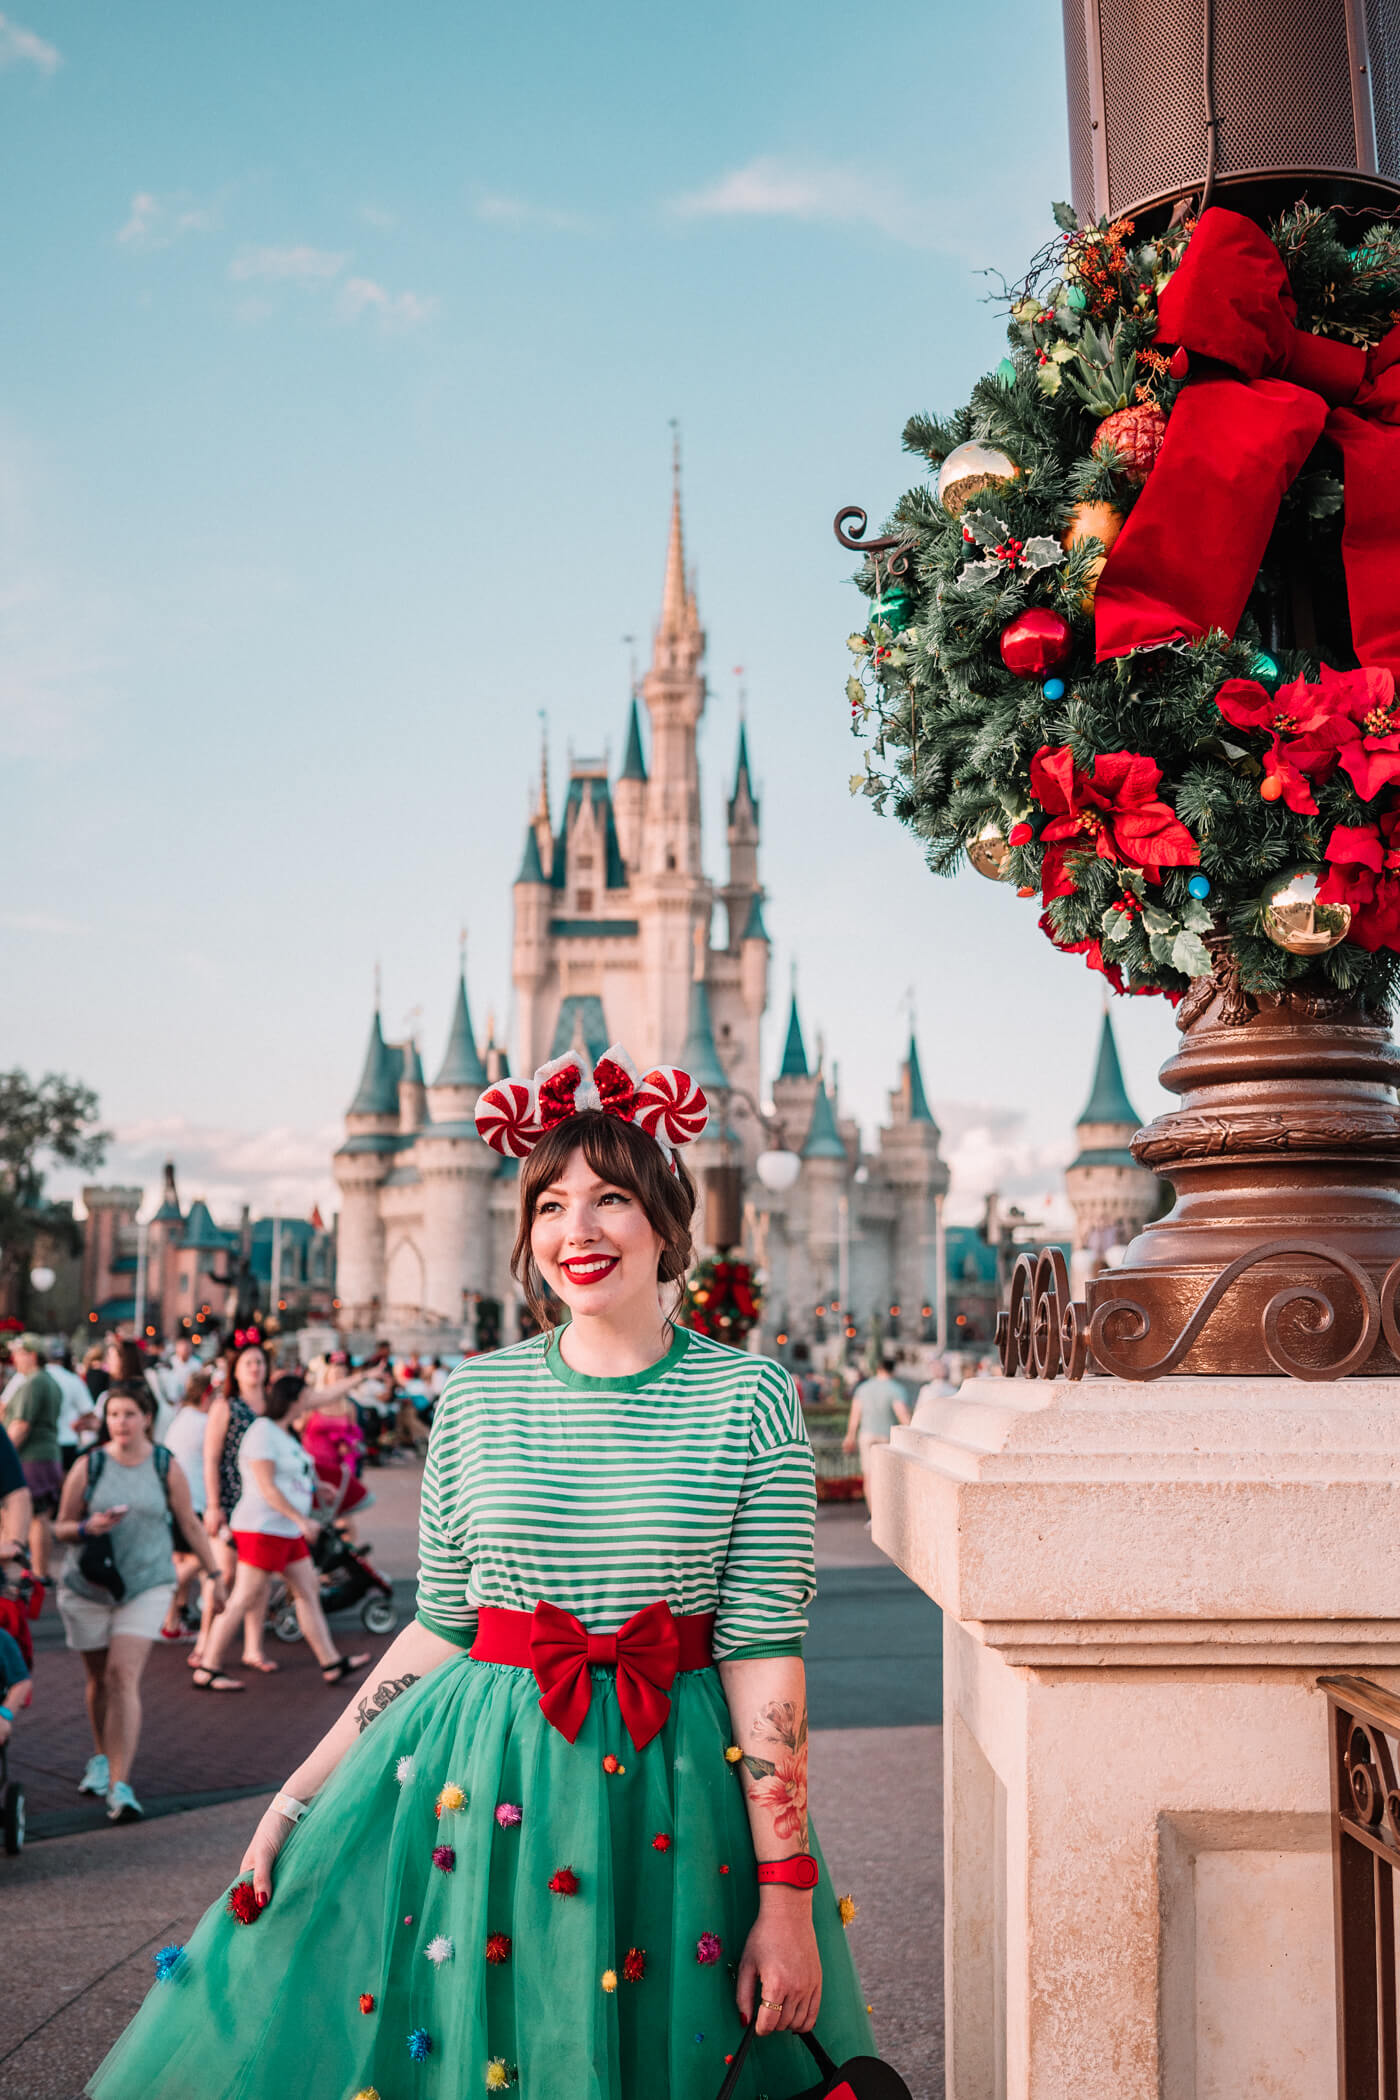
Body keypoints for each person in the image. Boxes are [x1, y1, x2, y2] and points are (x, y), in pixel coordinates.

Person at [89, 1046, 872, 2100]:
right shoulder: (474, 1398)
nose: (576, 1231)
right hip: (486, 1784)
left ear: (667, 1222)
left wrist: (785, 1898)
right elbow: (441, 1625)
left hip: (677, 1794)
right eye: (548, 1205)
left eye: (609, 1200)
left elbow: (762, 1655)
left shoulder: (749, 1399)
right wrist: (296, 1795)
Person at [53, 1383, 227, 1822]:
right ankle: (100, 1756)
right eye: (113, 1415)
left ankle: (120, 1785)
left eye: (129, 1414)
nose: (121, 1423)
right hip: (89, 1587)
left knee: (121, 1674)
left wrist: (214, 1574)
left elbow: (189, 1522)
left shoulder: (164, 1465)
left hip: (148, 1584)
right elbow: (61, 1528)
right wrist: (88, 1526)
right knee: (98, 1680)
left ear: (146, 1417)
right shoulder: (88, 1465)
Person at [191, 1372, 370, 1694]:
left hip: (284, 1530)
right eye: (304, 1395)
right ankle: (208, 1666)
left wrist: (319, 1487)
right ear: (294, 1399)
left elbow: (296, 1474)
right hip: (263, 1528)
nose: (308, 1401)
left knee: (307, 1590)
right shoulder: (262, 1433)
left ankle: (330, 1662)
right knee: (244, 1598)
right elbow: (267, 1487)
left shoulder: (283, 1434)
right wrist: (301, 1520)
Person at [201, 1342, 272, 1672]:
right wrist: (213, 1504)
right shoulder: (226, 1406)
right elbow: (211, 1456)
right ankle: (205, 1641)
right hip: (230, 1499)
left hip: (262, 1501)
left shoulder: (273, 1405)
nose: (255, 1368)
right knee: (224, 1573)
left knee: (259, 1577)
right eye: (248, 1363)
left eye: (259, 1362)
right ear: (236, 1370)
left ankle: (253, 1647)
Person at [2, 1333, 64, 1579]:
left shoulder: (34, 1383)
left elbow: (21, 1425)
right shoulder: (49, 1380)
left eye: (19, 1353)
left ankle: (38, 1572)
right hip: (46, 1453)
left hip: (32, 1457)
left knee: (36, 1516)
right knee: (41, 1515)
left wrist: (6, 1453)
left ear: (32, 1355)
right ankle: (40, 1571)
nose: (15, 1358)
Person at [160, 1369, 214, 1645]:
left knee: (183, 1559)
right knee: (204, 1559)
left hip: (178, 1500)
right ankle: (162, 1603)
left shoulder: (182, 1418)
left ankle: (172, 1622)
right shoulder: (203, 1423)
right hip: (196, 1501)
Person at [841, 1355, 912, 1499]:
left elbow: (855, 1415)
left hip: (866, 1435)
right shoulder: (896, 1389)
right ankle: (885, 1514)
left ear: (878, 1368)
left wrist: (850, 1436)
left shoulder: (863, 1388)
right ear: (893, 1371)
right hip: (888, 1437)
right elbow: (902, 1415)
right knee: (888, 1476)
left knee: (869, 1477)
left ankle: (873, 1514)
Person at [49, 1343, 101, 1471]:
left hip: (39, 1447)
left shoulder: (28, 1377)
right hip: (67, 1442)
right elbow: (90, 1414)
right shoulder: (73, 1380)